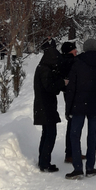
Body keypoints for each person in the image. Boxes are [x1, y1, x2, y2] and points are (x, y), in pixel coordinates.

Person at [64, 37, 96, 179]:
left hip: (78, 105)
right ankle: (90, 167)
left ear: (84, 49)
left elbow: (71, 89)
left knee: (74, 135)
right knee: (92, 136)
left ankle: (78, 168)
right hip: (95, 107)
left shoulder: (77, 64)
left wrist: (68, 109)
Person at [33, 38, 65, 173]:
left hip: (44, 106)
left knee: (46, 134)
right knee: (50, 134)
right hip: (46, 106)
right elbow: (50, 87)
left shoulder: (42, 67)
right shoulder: (45, 69)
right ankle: (45, 163)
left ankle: (43, 161)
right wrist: (62, 83)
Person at [60, 40, 79, 164]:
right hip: (72, 95)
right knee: (73, 123)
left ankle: (72, 152)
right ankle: (71, 153)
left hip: (69, 95)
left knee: (73, 122)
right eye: (74, 49)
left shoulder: (64, 61)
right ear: (69, 51)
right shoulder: (70, 62)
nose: (76, 51)